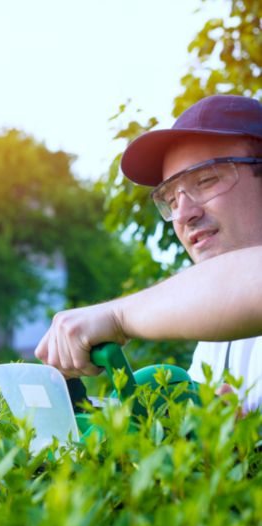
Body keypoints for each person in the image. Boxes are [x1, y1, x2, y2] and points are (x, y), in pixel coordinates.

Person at [35, 94, 262, 413]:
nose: (183, 214)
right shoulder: (219, 332)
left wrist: (115, 316)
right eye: (170, 200)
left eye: (207, 180)